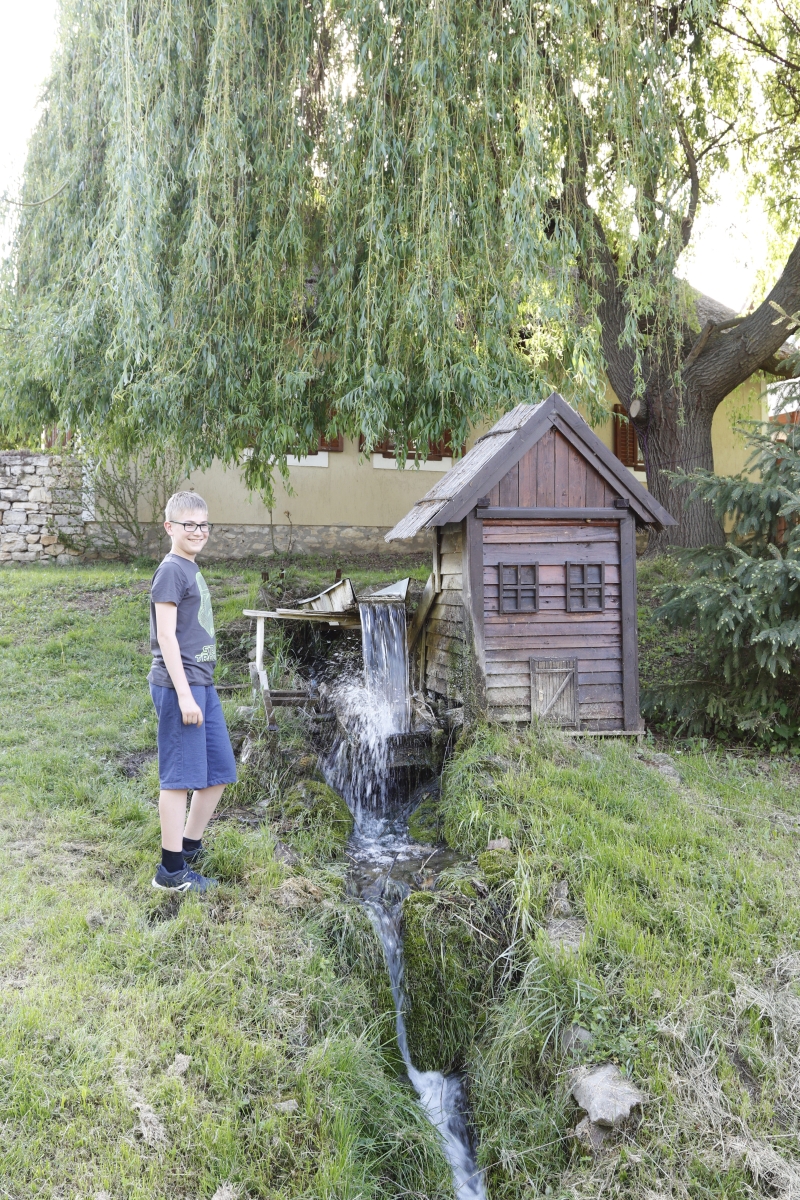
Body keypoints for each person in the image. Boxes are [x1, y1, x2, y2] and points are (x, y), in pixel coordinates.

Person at [148, 491, 237, 892]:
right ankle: (170, 872)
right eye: (189, 524)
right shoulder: (171, 570)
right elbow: (166, 636)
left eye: (203, 524)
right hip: (178, 686)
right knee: (178, 779)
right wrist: (184, 695)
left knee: (219, 771)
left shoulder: (189, 566)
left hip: (202, 683)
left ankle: (188, 847)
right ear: (170, 527)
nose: (198, 531)